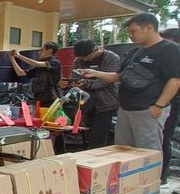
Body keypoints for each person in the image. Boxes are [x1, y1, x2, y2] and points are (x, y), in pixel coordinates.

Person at [80, 14, 180, 164]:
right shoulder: (135, 52)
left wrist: (158, 106)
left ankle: (149, 179)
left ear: (149, 28)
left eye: (133, 31)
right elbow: (119, 76)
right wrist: (95, 73)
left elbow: (175, 79)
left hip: (147, 110)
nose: (130, 35)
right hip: (126, 109)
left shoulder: (169, 49)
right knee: (123, 151)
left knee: (147, 153)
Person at [59, 40, 119, 149]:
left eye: (87, 57)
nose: (85, 60)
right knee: (88, 135)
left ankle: (96, 157)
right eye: (82, 58)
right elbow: (75, 77)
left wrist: (86, 83)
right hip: (86, 103)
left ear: (95, 49)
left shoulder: (111, 58)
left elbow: (107, 81)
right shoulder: (79, 60)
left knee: (99, 137)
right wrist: (70, 84)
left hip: (106, 103)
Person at [10, 42, 62, 108]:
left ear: (49, 51)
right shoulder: (39, 67)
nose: (39, 52)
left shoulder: (55, 63)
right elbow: (20, 72)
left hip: (51, 99)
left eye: (41, 50)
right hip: (39, 99)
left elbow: (36, 63)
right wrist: (12, 58)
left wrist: (19, 56)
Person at [159, 27, 180, 185]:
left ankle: (162, 177)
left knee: (164, 137)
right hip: (164, 102)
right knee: (162, 137)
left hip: (172, 102)